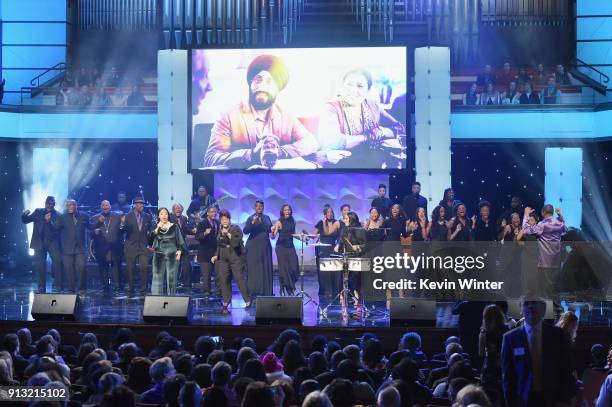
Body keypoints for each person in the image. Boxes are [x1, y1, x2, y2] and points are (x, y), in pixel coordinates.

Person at [203, 54, 318, 169]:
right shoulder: (228, 116)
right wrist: (252, 154)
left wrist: (280, 151)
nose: (262, 86)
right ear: (250, 83)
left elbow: (310, 143)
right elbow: (210, 159)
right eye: (258, 80)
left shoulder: (286, 116)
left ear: (278, 88)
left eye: (269, 82)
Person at [318, 68, 404, 168]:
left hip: (373, 164)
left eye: (360, 86)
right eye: (349, 84)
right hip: (339, 167)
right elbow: (335, 142)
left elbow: (399, 129)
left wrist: (382, 132)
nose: (353, 90)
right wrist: (367, 137)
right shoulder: (331, 108)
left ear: (368, 90)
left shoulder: (372, 104)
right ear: (342, 86)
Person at [501, 294, 575, 407]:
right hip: (522, 400)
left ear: (543, 308)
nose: (531, 306)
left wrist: (565, 399)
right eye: (526, 304)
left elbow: (565, 369)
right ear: (520, 309)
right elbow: (508, 376)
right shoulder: (510, 338)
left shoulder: (557, 335)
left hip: (552, 399)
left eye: (534, 302)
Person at [521, 205, 567, 307]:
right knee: (554, 288)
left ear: (543, 212)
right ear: (553, 213)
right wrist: (560, 216)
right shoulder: (559, 223)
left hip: (545, 262)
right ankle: (557, 309)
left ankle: (549, 313)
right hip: (556, 262)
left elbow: (526, 230)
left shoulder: (542, 225)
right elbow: (565, 229)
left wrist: (526, 215)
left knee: (545, 290)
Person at [211, 210, 251, 309]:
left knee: (239, 279)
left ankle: (247, 299)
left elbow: (237, 242)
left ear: (229, 219)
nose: (224, 221)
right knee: (224, 279)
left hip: (235, 257)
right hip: (223, 258)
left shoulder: (235, 228)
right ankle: (226, 300)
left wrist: (228, 234)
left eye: (226, 219)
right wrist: (216, 255)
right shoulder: (219, 230)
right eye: (222, 219)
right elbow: (218, 245)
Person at [21, 196, 62, 293]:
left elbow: (57, 230)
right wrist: (24, 215)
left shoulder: (58, 215)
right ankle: (41, 286)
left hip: (53, 242)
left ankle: (58, 285)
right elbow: (26, 221)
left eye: (52, 203)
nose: (49, 205)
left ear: (54, 204)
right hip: (39, 242)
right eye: (48, 203)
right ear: (45, 203)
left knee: (57, 263)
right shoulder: (38, 211)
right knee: (40, 265)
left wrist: (49, 222)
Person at [51, 199, 92, 294]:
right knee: (69, 270)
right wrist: (49, 222)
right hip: (67, 248)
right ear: (67, 207)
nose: (70, 206)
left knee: (81, 268)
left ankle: (82, 288)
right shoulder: (62, 217)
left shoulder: (84, 216)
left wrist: (99, 223)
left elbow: (90, 227)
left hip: (80, 248)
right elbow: (55, 228)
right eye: (68, 205)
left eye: (72, 204)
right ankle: (71, 288)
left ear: (76, 206)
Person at [149, 207, 186, 295]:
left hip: (172, 254)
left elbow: (180, 241)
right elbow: (150, 241)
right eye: (161, 214)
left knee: (172, 278)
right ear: (158, 216)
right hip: (158, 254)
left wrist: (180, 251)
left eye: (165, 214)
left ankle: (171, 298)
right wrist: (157, 229)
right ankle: (156, 298)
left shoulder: (174, 226)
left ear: (168, 215)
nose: (164, 216)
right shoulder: (155, 226)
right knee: (157, 276)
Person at [90, 200, 124, 294]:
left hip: (114, 246)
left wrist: (122, 224)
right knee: (103, 267)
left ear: (110, 206)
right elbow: (90, 233)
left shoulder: (117, 217)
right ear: (101, 207)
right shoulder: (95, 218)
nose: (105, 207)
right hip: (101, 247)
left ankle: (117, 285)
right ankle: (105, 286)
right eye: (103, 205)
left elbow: (122, 230)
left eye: (107, 205)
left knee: (115, 265)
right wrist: (94, 232)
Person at [121, 196, 153, 297]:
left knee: (144, 267)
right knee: (131, 269)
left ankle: (143, 291)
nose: (142, 205)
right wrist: (122, 223)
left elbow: (151, 232)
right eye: (139, 203)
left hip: (143, 246)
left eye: (142, 203)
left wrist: (150, 244)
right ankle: (131, 290)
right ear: (134, 205)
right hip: (131, 246)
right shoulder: (128, 216)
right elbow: (122, 231)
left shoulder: (147, 216)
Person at [479, 304, 508, 405]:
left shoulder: (484, 332)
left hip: (490, 366)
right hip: (504, 365)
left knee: (489, 396)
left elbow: (481, 353)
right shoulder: (507, 330)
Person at [244, 200, 273, 298]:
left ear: (263, 207)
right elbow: (245, 231)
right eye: (257, 206)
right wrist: (253, 223)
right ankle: (254, 290)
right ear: (255, 208)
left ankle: (266, 290)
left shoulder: (267, 218)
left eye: (261, 206)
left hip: (264, 246)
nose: (259, 208)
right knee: (254, 269)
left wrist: (263, 223)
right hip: (253, 247)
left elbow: (270, 229)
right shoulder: (251, 217)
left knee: (264, 268)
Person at [312, 205, 341, 300]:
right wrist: (304, 235)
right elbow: (313, 235)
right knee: (323, 272)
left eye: (331, 212)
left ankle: (333, 291)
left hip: (332, 248)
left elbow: (328, 232)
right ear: (325, 214)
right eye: (328, 212)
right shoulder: (321, 222)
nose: (330, 214)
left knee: (333, 270)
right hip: (322, 248)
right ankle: (324, 291)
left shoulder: (336, 222)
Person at [271, 204, 299, 296]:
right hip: (281, 247)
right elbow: (273, 236)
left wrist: (303, 238)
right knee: (283, 269)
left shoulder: (293, 221)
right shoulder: (279, 222)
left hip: (290, 246)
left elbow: (293, 234)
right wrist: (272, 232)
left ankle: (290, 286)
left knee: (294, 268)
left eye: (288, 210)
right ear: (282, 212)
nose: (287, 211)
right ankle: (282, 288)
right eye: (285, 210)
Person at [195, 206, 220, 301]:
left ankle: (218, 292)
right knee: (206, 275)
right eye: (212, 212)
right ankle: (207, 293)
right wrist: (204, 233)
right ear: (208, 213)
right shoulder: (202, 223)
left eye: (215, 212)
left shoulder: (217, 223)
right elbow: (197, 237)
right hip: (204, 253)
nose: (214, 213)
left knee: (218, 274)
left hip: (215, 252)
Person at [170, 203, 193, 294]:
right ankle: (172, 286)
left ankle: (187, 286)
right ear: (173, 210)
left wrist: (193, 230)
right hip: (172, 246)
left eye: (179, 208)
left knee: (187, 266)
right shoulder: (169, 218)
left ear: (182, 209)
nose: (178, 209)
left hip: (183, 246)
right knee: (173, 267)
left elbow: (186, 230)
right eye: (176, 208)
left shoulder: (184, 218)